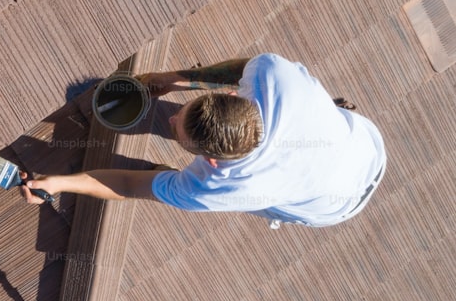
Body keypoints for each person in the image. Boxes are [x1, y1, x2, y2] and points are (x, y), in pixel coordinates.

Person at [22, 54, 386, 227]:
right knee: (178, 181)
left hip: (331, 203)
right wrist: (177, 78)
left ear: (212, 163)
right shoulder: (275, 76)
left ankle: (167, 179)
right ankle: (172, 176)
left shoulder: (221, 188)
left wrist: (59, 183)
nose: (174, 115)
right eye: (186, 111)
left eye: (177, 130)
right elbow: (238, 70)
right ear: (235, 97)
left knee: (171, 189)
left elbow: (131, 185)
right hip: (363, 140)